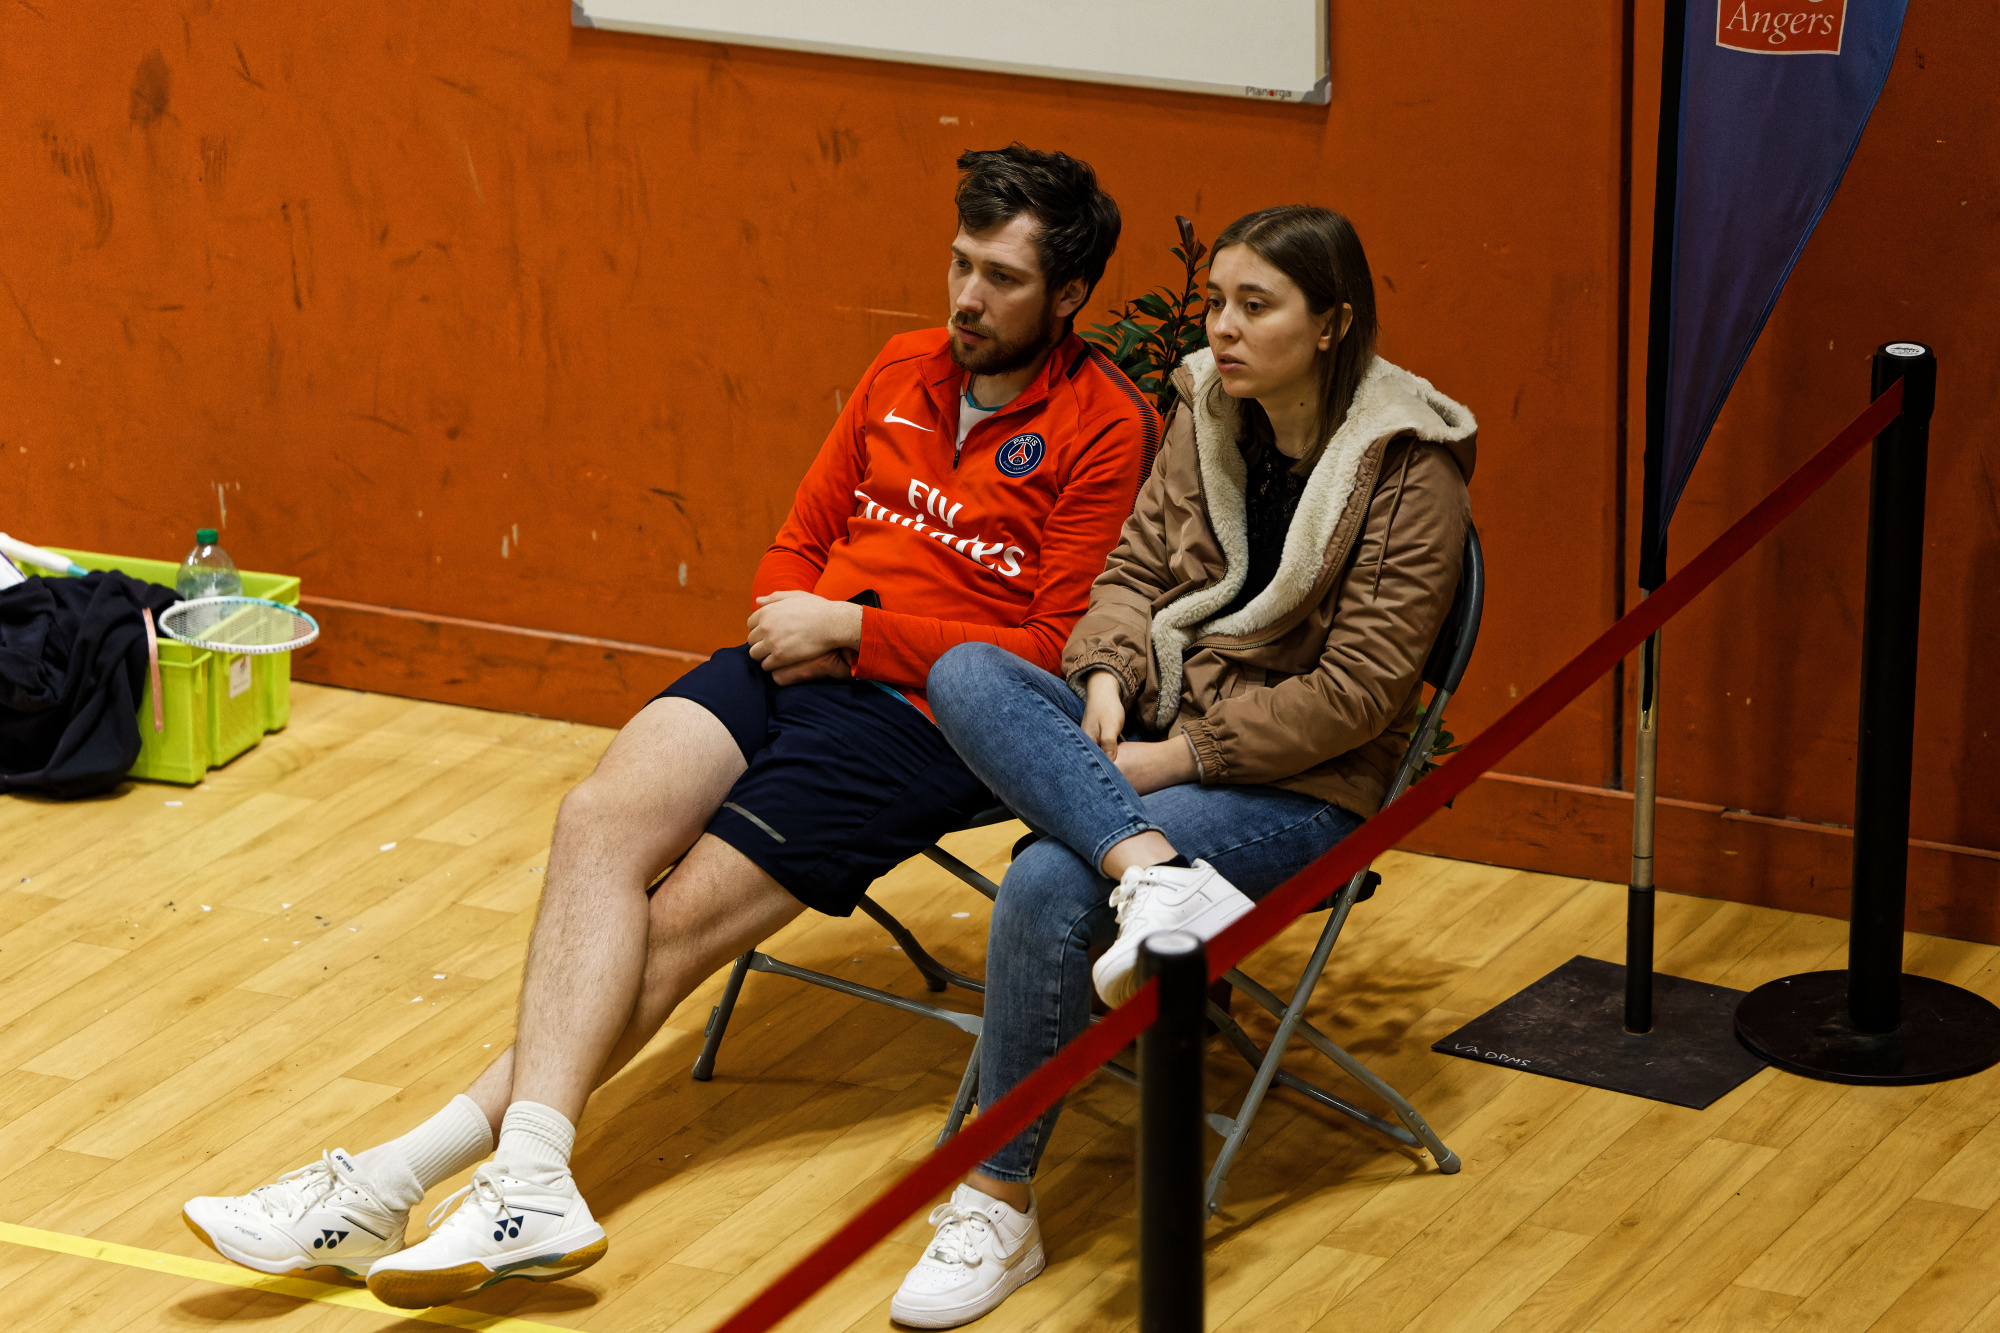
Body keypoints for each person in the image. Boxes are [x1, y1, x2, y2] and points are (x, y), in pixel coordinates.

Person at [182, 144, 1158, 1311]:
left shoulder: (1107, 424)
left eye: (1000, 278)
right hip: (795, 656)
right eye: (959, 264)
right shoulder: (900, 367)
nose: (966, 297)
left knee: (673, 924)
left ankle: (394, 1178)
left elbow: (1044, 650)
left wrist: (852, 630)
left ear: (1066, 295)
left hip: (923, 717)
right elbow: (796, 542)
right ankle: (521, 1180)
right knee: (596, 819)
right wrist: (798, 619)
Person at [888, 205, 1476, 1329]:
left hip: (1298, 787)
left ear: (1331, 323)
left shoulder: (1411, 473)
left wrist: (1181, 755)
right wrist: (1109, 675)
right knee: (965, 669)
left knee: (1045, 881)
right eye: (1216, 302)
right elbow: (1131, 572)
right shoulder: (1206, 410)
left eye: (1257, 305)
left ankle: (996, 1201)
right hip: (1150, 734)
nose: (1223, 328)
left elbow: (1357, 695)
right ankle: (1155, 873)